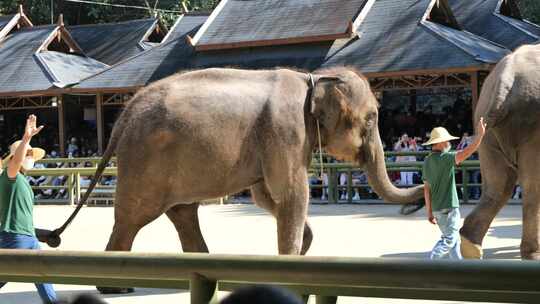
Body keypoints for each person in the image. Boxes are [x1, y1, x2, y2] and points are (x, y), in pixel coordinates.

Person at [0, 115, 58, 303]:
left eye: (32, 155)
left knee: (43, 276)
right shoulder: (11, 176)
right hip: (14, 238)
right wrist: (26, 138)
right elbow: (15, 163)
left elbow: (20, 216)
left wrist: (43, 234)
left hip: (27, 237)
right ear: (13, 159)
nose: (31, 158)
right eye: (28, 154)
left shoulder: (21, 180)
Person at [422, 118, 486, 260]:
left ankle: (459, 270)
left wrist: (429, 212)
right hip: (450, 207)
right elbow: (469, 151)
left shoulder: (426, 161)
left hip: (437, 209)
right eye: (446, 140)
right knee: (449, 240)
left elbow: (426, 189)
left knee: (454, 242)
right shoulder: (447, 158)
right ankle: (430, 264)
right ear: (439, 143)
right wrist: (480, 135)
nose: (448, 143)